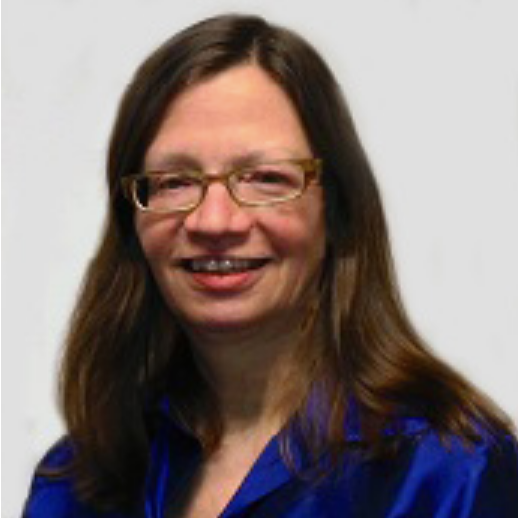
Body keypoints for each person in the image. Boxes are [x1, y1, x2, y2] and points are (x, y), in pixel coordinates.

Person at [23, 13, 518, 518]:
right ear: (132, 221)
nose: (214, 220)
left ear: (337, 210)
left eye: (264, 177)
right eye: (175, 181)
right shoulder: (75, 483)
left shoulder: (448, 472)